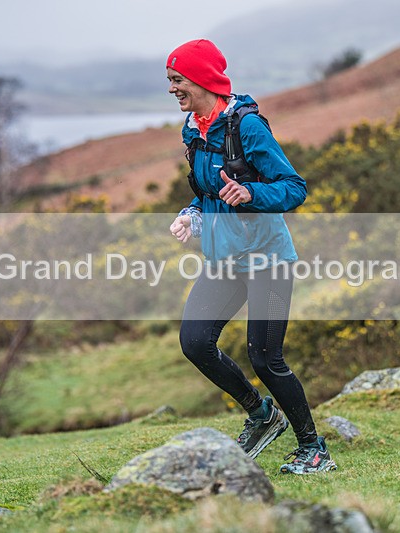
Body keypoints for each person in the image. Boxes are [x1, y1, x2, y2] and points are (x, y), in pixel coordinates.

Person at [166, 39, 336, 474]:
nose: (172, 89)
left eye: (177, 80)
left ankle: (314, 449)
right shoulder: (194, 129)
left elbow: (294, 188)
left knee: (265, 357)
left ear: (203, 78)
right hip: (224, 258)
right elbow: (207, 194)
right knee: (195, 343)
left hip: (268, 259)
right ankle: (262, 416)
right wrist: (192, 216)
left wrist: (251, 193)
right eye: (170, 80)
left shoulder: (248, 127)